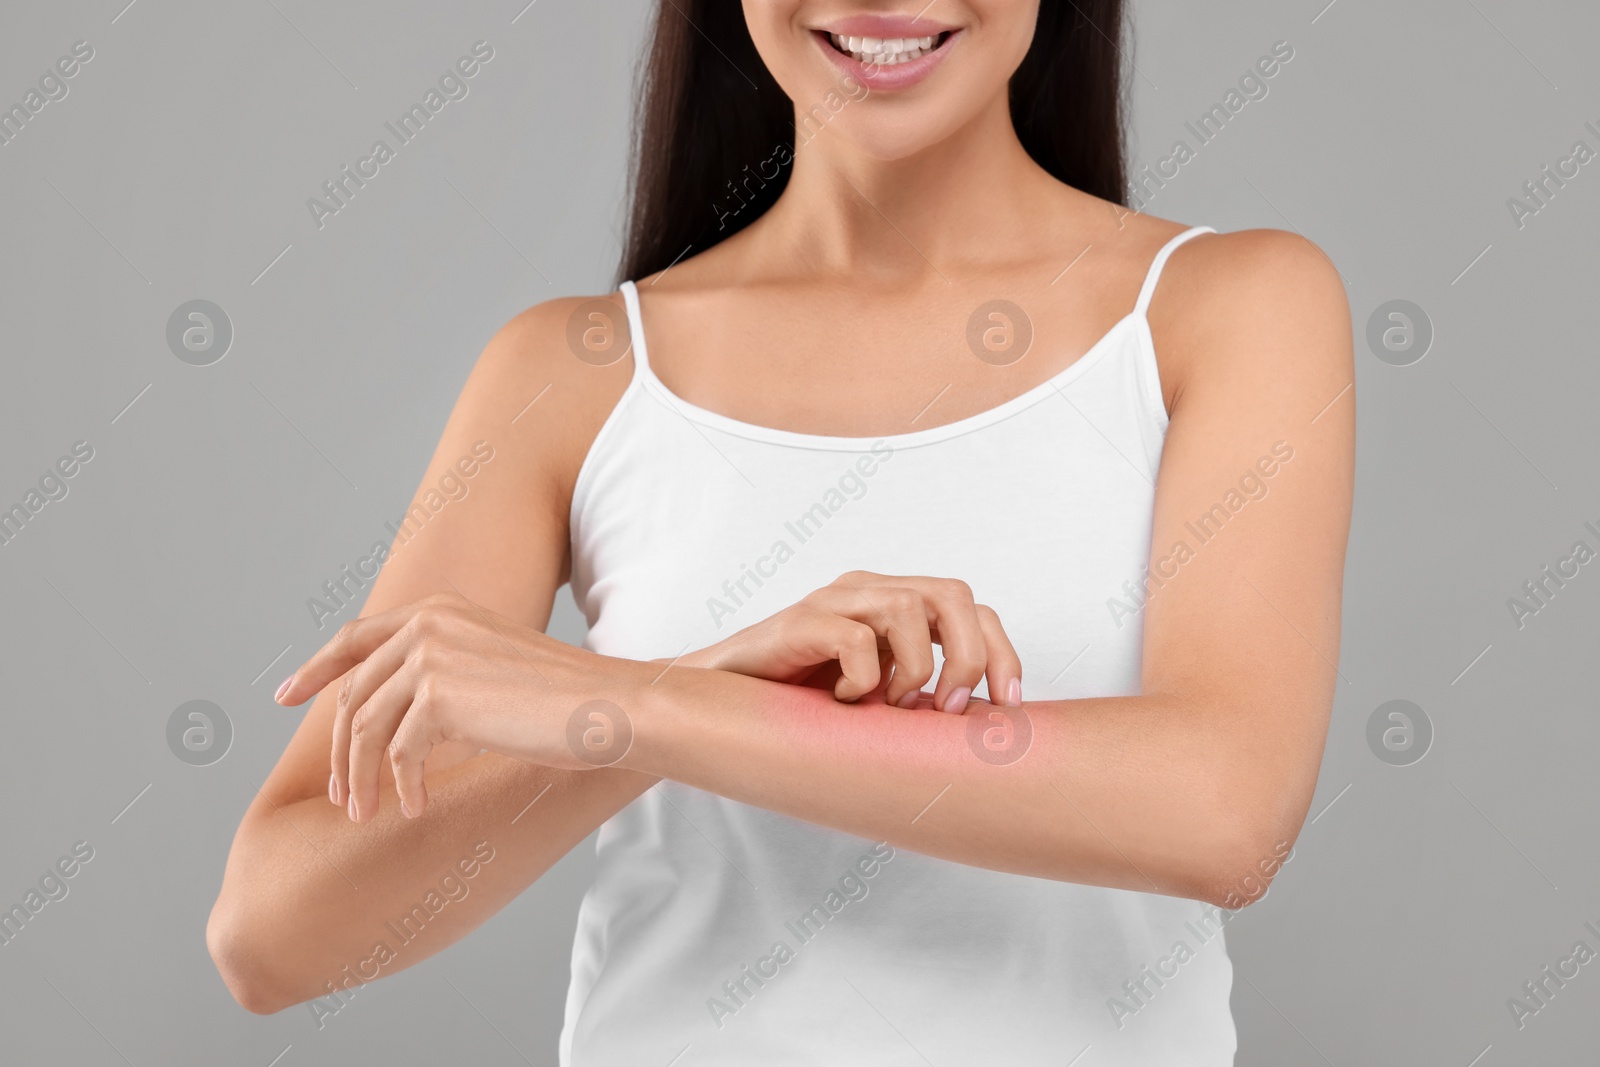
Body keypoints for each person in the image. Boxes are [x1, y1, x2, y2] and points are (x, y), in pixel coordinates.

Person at [208, 3, 1354, 1063]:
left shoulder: (1228, 306)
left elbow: (1223, 810)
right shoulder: (571, 370)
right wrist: (670, 692)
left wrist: (644, 704)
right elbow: (272, 934)